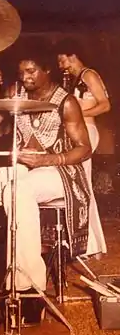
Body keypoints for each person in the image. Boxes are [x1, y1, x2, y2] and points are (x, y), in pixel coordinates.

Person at [0, 51, 92, 324]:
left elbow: (84, 149)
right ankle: (19, 285)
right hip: (26, 172)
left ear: (48, 70)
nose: (25, 78)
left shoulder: (66, 101)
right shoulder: (15, 92)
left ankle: (28, 287)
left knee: (18, 190)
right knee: (4, 185)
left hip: (60, 172)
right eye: (21, 73)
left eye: (32, 71)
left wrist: (48, 159)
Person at [56, 38, 111, 259]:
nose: (61, 66)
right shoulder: (74, 79)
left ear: (72, 56)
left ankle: (92, 245)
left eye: (62, 60)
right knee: (81, 185)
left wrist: (78, 115)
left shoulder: (89, 74)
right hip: (78, 133)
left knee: (82, 187)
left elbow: (105, 104)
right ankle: (91, 245)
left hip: (88, 132)